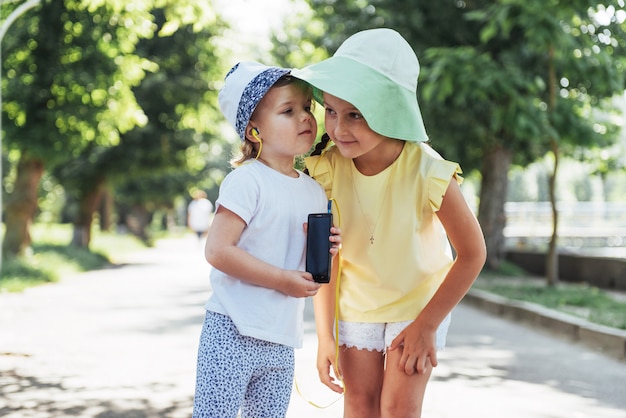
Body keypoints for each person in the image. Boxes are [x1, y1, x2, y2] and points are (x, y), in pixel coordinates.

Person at [293, 28, 487, 417]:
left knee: (398, 408)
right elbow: (325, 258)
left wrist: (428, 325)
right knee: (360, 405)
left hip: (418, 307)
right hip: (355, 307)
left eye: (355, 115)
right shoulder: (326, 169)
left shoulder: (429, 170)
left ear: (389, 111)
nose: (338, 129)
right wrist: (325, 336)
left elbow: (473, 254)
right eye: (331, 111)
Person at [191, 61, 341, 418]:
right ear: (254, 130)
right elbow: (217, 250)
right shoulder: (247, 181)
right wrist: (281, 279)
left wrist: (326, 251)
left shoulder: (315, 191)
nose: (305, 117)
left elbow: (308, 269)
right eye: (288, 110)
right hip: (231, 330)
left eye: (307, 107)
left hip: (281, 338)